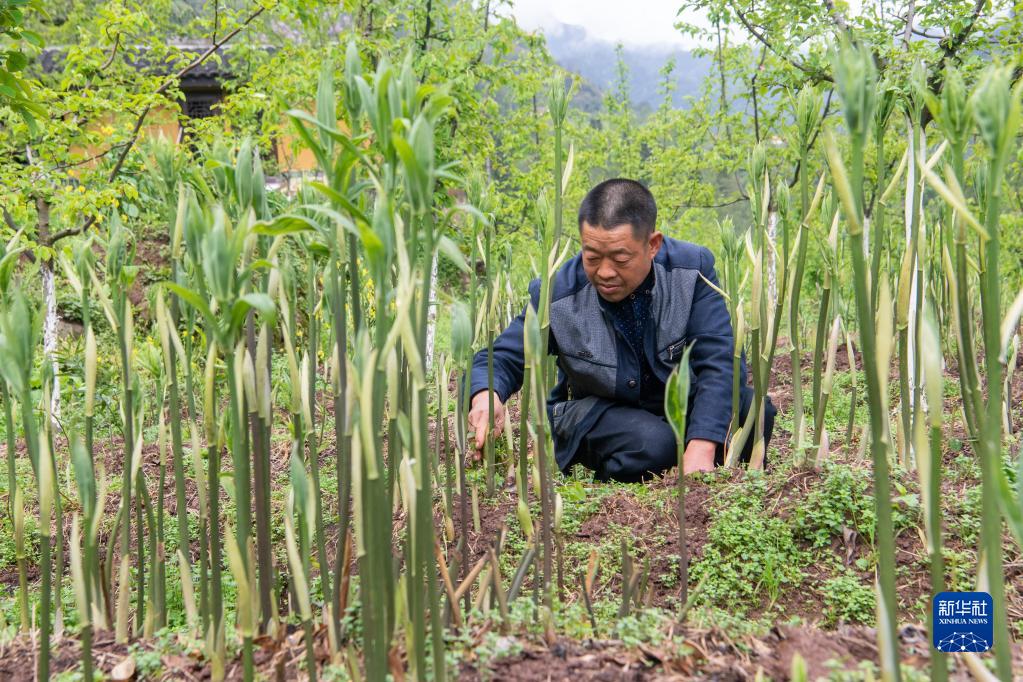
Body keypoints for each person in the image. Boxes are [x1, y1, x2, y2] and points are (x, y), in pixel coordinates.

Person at [467, 178, 776, 482]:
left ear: (652, 244)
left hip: (673, 407)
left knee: (754, 412)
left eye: (620, 258)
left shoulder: (691, 271)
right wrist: (486, 395)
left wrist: (702, 445)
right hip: (597, 415)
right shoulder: (556, 293)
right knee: (654, 445)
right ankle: (641, 461)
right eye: (592, 257)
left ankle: (686, 458)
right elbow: (501, 357)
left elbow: (719, 360)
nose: (604, 271)